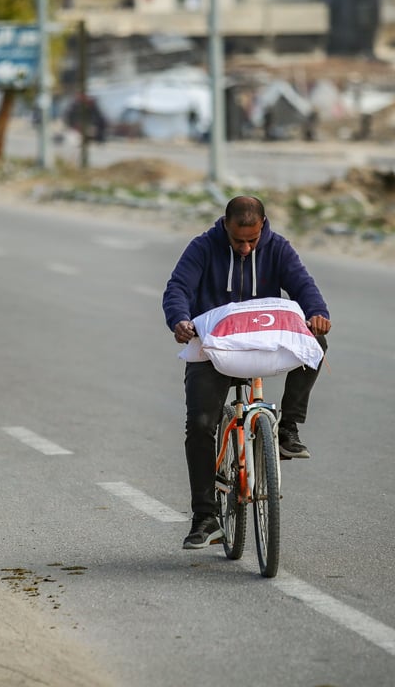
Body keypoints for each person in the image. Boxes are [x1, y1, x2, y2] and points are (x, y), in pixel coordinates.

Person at [163, 195, 331, 549]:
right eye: (238, 240)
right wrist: (179, 319)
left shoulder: (278, 248)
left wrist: (317, 312)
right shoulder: (203, 247)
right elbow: (177, 288)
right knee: (200, 426)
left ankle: (287, 429)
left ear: (263, 227)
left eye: (252, 240)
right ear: (225, 225)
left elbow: (304, 287)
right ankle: (205, 518)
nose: (244, 248)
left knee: (317, 344)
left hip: (259, 341)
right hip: (214, 348)